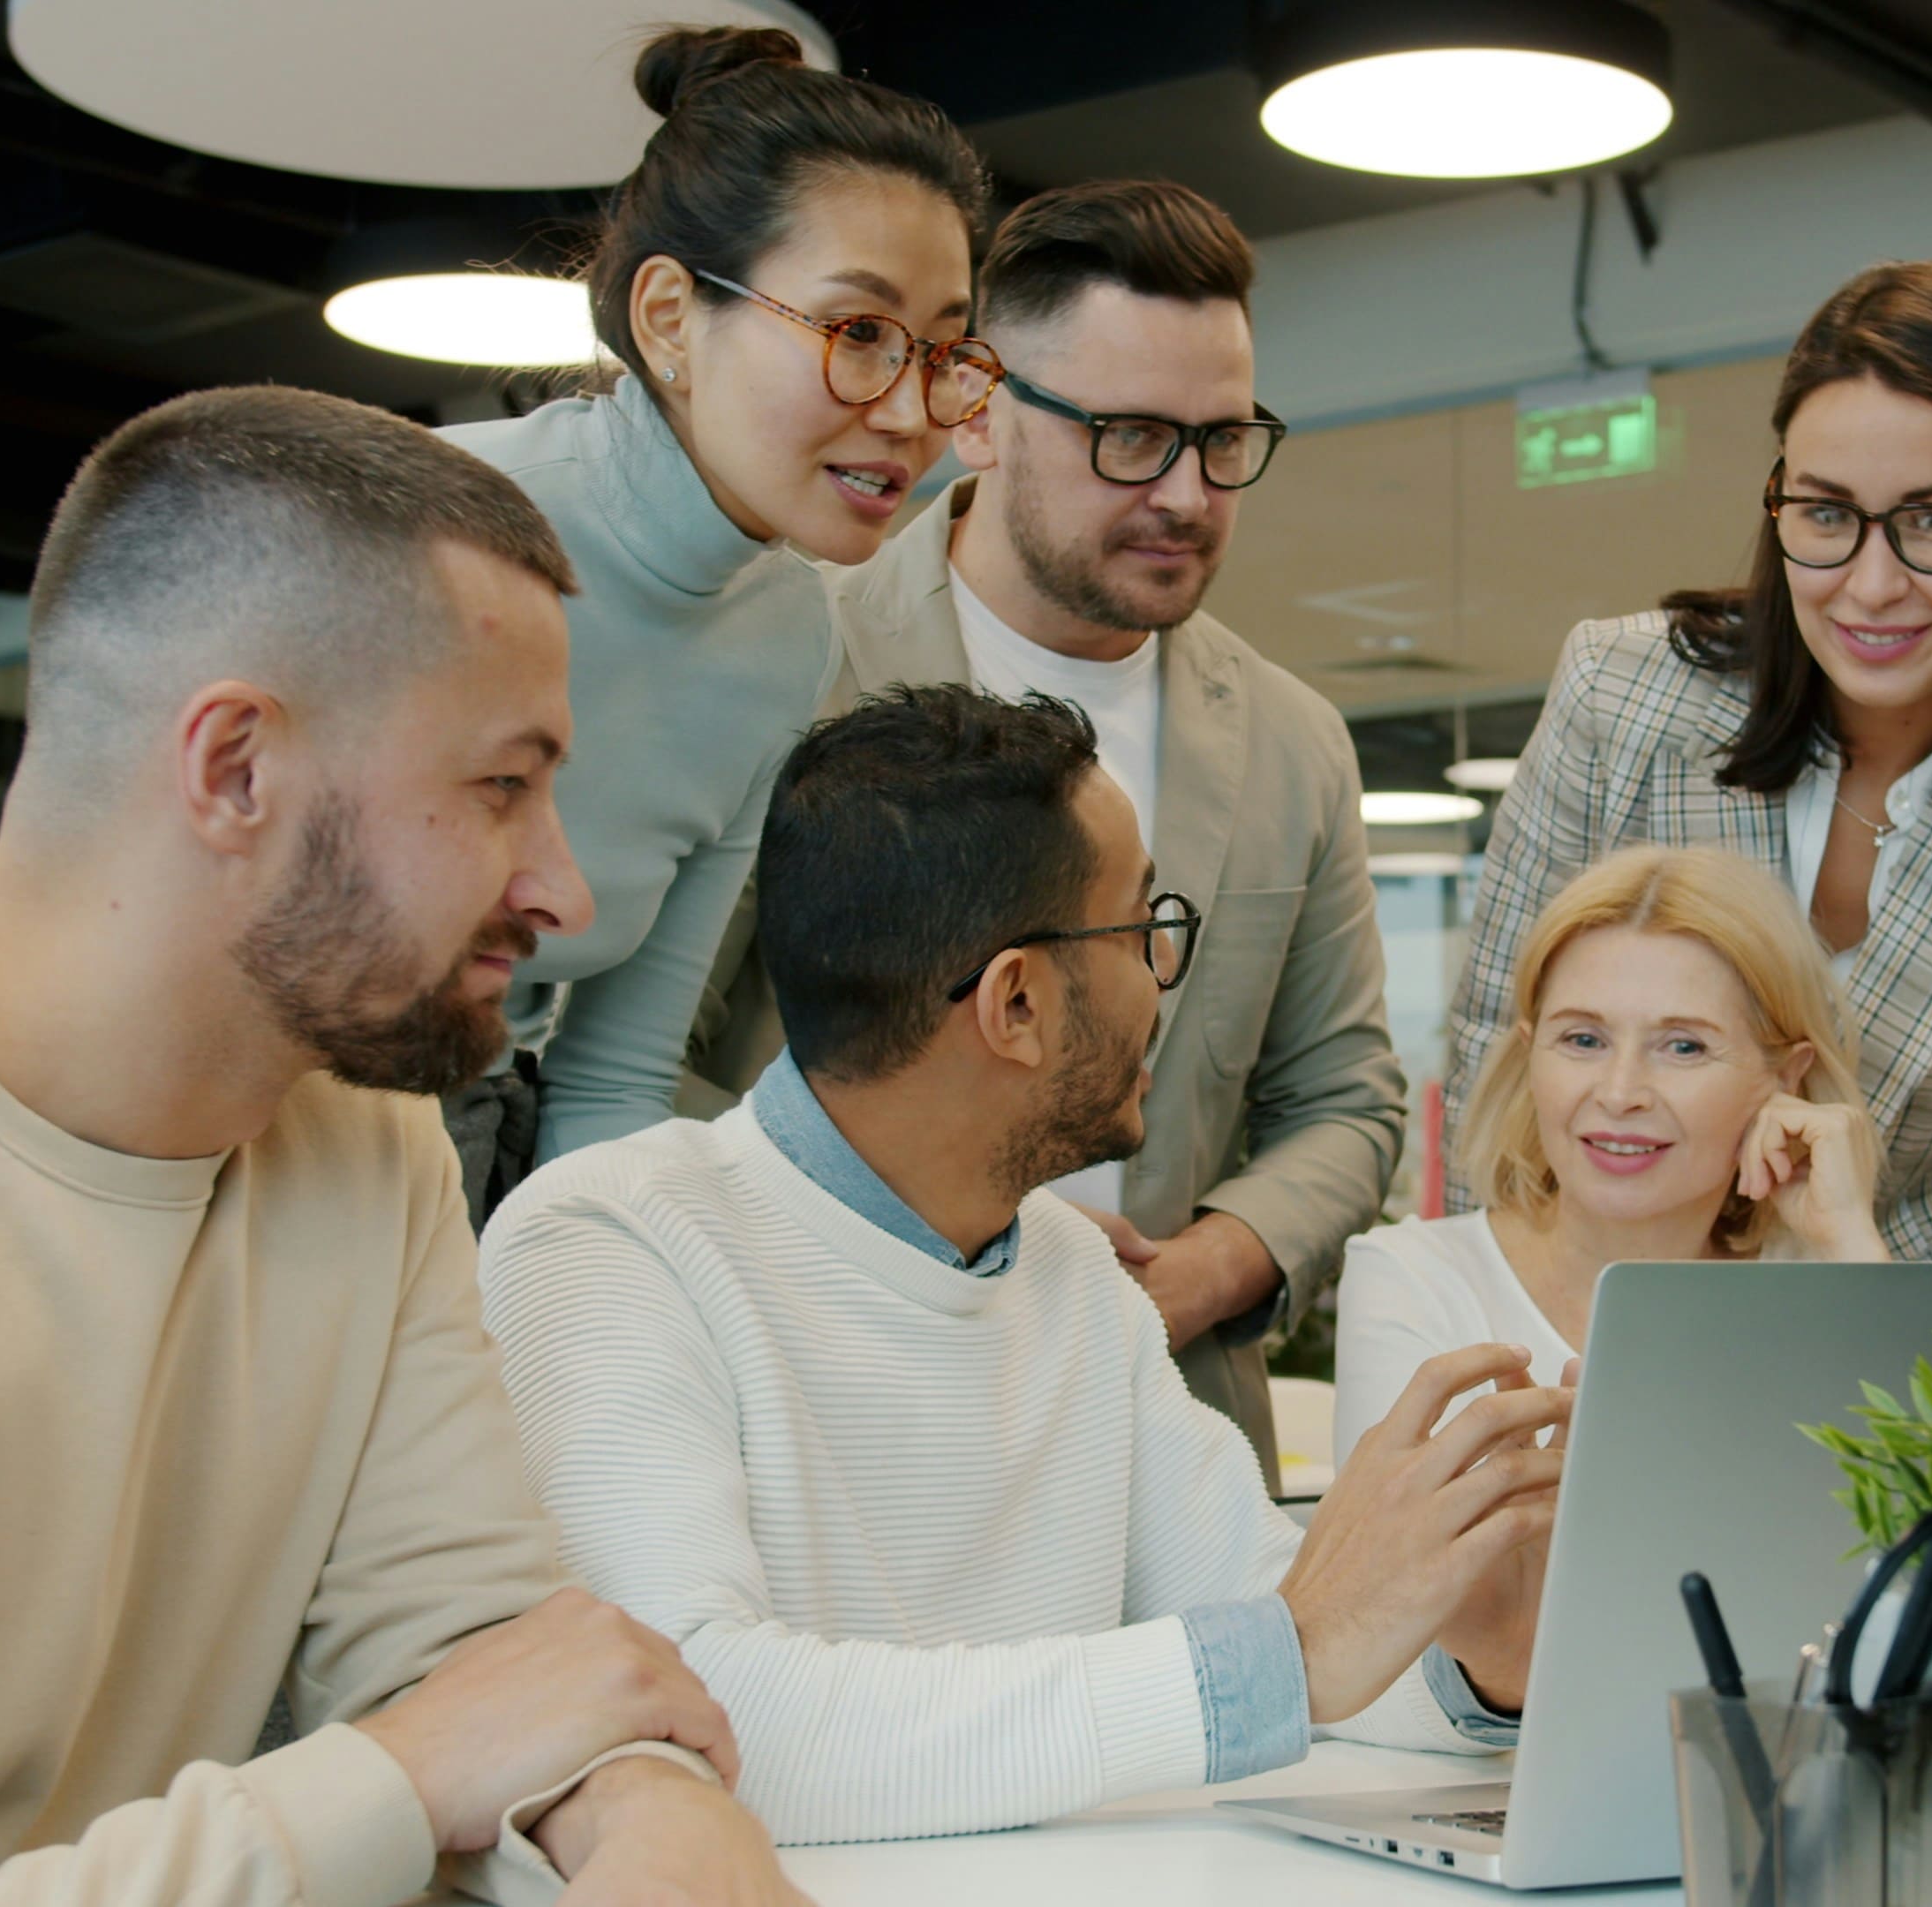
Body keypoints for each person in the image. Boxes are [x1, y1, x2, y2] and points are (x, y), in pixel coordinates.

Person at [0, 388, 796, 1905]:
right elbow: (443, 1737)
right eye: (502, 788)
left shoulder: (362, 1138)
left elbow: (475, 1652)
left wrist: (648, 1815)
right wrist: (391, 1779)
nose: (563, 891)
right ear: (238, 766)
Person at [481, 685, 1562, 1846]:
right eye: (1144, 930)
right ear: (1017, 1003)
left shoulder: (1071, 1271)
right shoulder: (609, 1243)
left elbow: (1289, 1631)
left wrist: (1478, 1652)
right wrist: (1288, 1657)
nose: (1162, 973)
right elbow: (691, 1719)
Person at [692, 180, 1398, 1483]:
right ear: (976, 411)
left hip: (1155, 1431)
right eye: (1130, 437)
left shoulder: (1292, 743)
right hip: (817, 1409)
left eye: (1222, 440)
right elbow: (666, 1060)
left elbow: (1345, 1102)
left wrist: (1202, 1272)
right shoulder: (790, 665)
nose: (1188, 495)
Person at [1448, 260, 1932, 1263]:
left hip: (1925, 1323)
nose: (1871, 586)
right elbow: (1494, 1071)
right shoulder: (1621, 699)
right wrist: (1512, 1322)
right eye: (1828, 514)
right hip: (1615, 1306)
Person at [433, 22, 998, 1221]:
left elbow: (613, 1075)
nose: (910, 413)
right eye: (858, 334)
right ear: (670, 318)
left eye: (944, 352)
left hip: (492, 1165)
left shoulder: (789, 635)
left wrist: (581, 1294)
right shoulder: (430, 528)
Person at [1339, 846, 1885, 1456]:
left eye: (1684, 1047)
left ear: (1785, 1077)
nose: (1620, 1094)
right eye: (1584, 1039)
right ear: (1529, 1056)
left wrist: (1852, 1247)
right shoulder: (1416, 1279)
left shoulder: (1828, 1289)